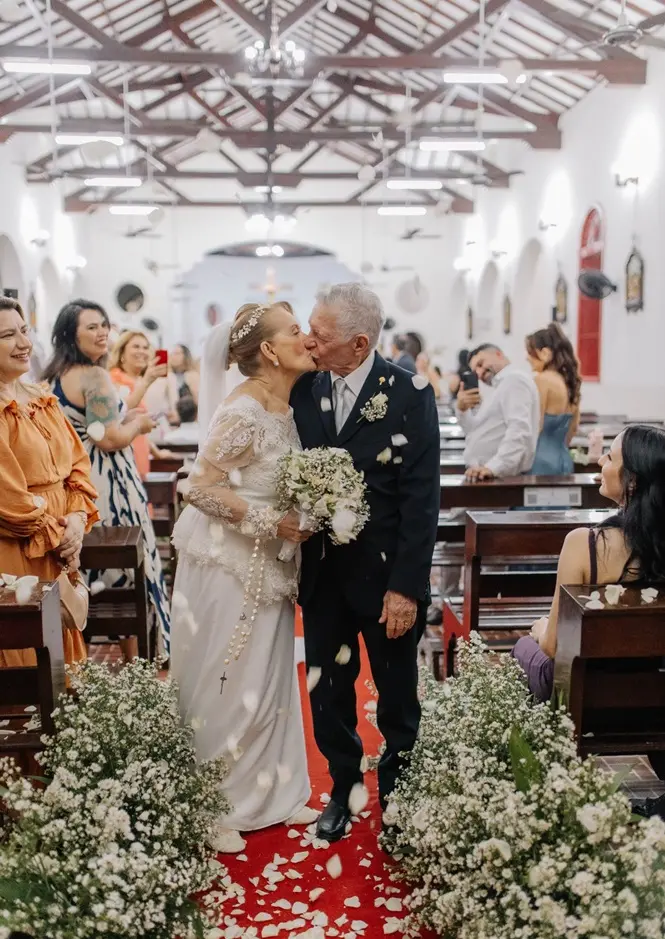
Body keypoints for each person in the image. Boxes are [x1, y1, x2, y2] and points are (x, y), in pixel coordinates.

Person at [292, 283, 441, 843]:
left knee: (397, 696)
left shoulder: (408, 393)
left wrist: (405, 588)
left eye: (320, 335)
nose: (309, 341)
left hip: (385, 582)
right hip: (325, 575)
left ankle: (399, 803)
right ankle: (342, 790)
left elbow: (421, 501)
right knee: (330, 692)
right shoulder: (304, 389)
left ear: (359, 344)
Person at [171, 302, 319, 854]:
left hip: (273, 559)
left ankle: (276, 793)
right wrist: (269, 520)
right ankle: (216, 804)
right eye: (294, 330)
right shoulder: (244, 411)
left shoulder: (286, 404)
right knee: (227, 675)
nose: (305, 337)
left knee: (270, 671)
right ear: (268, 350)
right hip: (228, 560)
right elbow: (199, 488)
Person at [43, 300, 171, 658]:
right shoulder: (94, 376)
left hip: (72, 481)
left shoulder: (54, 375)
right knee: (125, 570)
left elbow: (95, 424)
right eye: (91, 328)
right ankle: (135, 662)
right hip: (107, 481)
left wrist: (124, 415)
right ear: (71, 334)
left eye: (104, 325)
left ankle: (80, 656)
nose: (102, 333)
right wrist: (139, 425)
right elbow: (108, 437)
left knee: (89, 569)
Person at [512, 424, 665, 703]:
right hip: (654, 692)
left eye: (609, 456)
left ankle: (535, 744)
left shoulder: (587, 544)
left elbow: (553, 646)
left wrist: (542, 628)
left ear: (632, 480)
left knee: (524, 647)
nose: (600, 461)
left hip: (586, 695)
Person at [0, 297, 99, 669]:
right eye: (8, 335)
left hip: (59, 543)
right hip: (19, 548)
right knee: (28, 655)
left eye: (24, 330)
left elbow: (76, 464)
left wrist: (76, 518)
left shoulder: (42, 397)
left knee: (62, 645)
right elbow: (8, 499)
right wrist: (62, 536)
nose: (24, 343)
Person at [456, 343, 539, 480]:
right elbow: (473, 431)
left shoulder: (515, 380)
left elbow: (519, 430)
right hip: (487, 473)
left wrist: (493, 467)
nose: (480, 372)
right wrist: (462, 410)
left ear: (499, 354)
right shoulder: (499, 386)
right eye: (475, 370)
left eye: (481, 363)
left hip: (500, 475)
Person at [108, 330, 175, 478]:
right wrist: (146, 381)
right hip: (124, 453)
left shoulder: (137, 380)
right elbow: (121, 412)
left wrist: (157, 452)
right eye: (136, 347)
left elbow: (140, 424)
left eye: (145, 347)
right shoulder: (115, 378)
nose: (142, 351)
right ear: (122, 354)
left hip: (140, 450)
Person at [526, 323, 582, 474]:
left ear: (544, 353)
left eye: (530, 352)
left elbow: (535, 426)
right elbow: (572, 429)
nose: (527, 358)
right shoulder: (570, 382)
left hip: (540, 461)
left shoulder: (542, 380)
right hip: (563, 458)